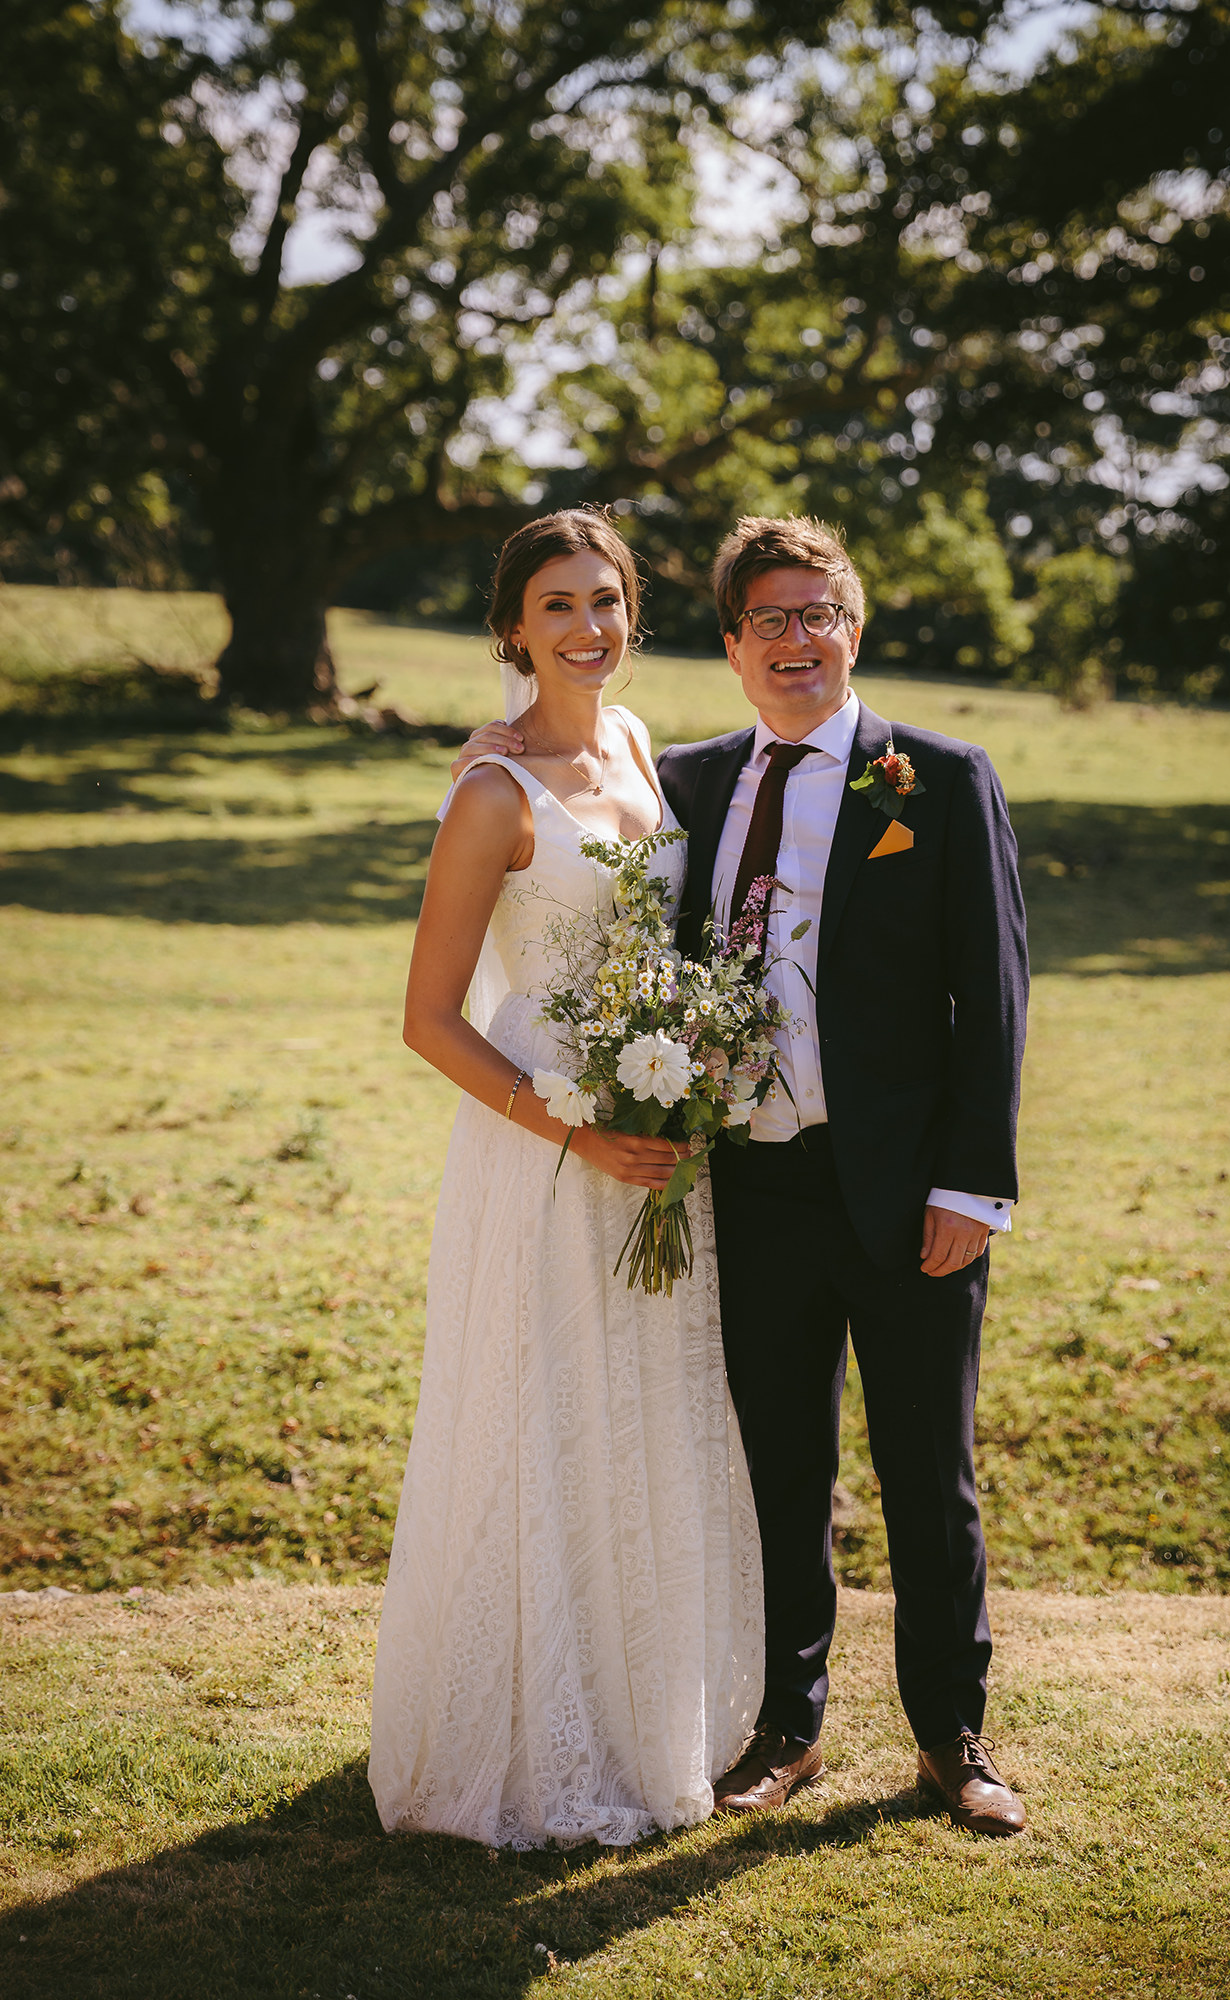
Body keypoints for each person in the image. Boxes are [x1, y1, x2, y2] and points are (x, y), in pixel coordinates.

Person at [457, 513, 1030, 1838]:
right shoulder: (694, 785)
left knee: (924, 1470)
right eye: (764, 620)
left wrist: (972, 1186)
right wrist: (488, 751)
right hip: (749, 1193)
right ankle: (785, 1725)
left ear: (854, 628)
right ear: (726, 645)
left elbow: (990, 1001)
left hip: (904, 1196)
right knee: (775, 1464)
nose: (793, 641)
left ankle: (953, 1734)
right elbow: (586, 838)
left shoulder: (937, 781)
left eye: (815, 614)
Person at [368, 509, 763, 1850]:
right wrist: (575, 1128)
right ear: (512, 630)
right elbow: (428, 1019)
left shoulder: (640, 743)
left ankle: (633, 1706)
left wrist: (687, 1067)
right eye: (557, 606)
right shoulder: (493, 791)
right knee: (541, 1418)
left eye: (605, 600)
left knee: (639, 1418)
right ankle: (518, 1731)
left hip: (655, 1135)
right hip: (545, 1147)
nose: (588, 627)